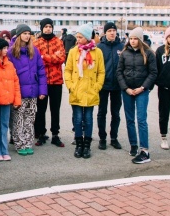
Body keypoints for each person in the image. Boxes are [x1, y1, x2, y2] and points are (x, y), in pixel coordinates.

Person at [116, 26, 158, 164]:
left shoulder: (148, 53)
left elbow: (153, 73)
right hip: (127, 90)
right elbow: (119, 72)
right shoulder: (124, 53)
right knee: (130, 119)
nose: (133, 41)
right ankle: (133, 144)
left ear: (140, 39)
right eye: (131, 38)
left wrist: (143, 87)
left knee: (141, 119)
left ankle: (144, 150)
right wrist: (126, 88)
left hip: (142, 90)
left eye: (135, 38)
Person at [64, 23, 105, 159]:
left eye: (80, 37)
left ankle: (87, 145)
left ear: (87, 37)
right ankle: (79, 144)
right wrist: (71, 86)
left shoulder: (97, 52)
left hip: (90, 91)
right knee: (77, 119)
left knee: (88, 119)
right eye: (77, 37)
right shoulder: (73, 51)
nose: (78, 39)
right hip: (76, 90)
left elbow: (101, 72)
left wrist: (97, 86)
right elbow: (68, 70)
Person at [8, 24, 48, 156]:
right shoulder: (11, 52)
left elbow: (41, 71)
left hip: (32, 91)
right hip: (19, 92)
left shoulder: (34, 51)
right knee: (18, 119)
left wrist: (42, 90)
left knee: (30, 119)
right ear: (19, 35)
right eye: (24, 33)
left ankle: (28, 143)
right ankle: (19, 143)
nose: (27, 36)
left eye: (28, 34)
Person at [33, 18, 66, 147]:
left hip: (56, 81)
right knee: (41, 109)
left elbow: (61, 58)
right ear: (42, 28)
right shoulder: (36, 43)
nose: (48, 29)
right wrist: (52, 57)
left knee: (55, 109)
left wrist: (44, 56)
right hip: (42, 81)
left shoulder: (58, 41)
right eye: (45, 26)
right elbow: (36, 60)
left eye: (50, 26)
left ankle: (55, 134)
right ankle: (41, 133)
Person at [97, 22, 125, 150]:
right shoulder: (99, 47)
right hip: (103, 85)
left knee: (116, 113)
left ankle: (114, 138)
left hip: (117, 86)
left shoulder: (122, 47)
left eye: (114, 30)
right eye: (109, 31)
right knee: (102, 112)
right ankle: (102, 138)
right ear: (105, 33)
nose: (112, 33)